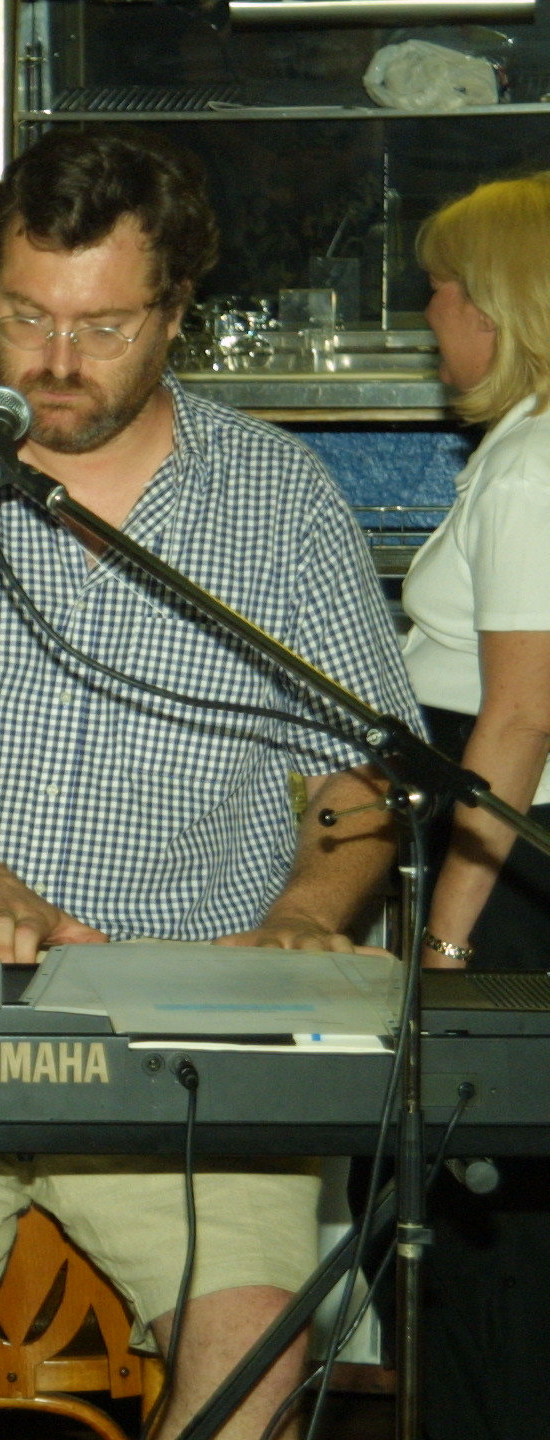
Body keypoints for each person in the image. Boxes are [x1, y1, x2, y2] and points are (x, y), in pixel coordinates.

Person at [0, 127, 418, 1440]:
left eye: (104, 327)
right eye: (23, 317)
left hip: (187, 986)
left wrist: (308, 913)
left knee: (256, 1368)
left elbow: (361, 780)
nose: (55, 361)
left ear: (177, 313)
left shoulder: (278, 500)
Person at [403, 172, 550, 1440]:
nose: (428, 316)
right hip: (517, 869)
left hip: (511, 888)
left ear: (497, 306)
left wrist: (446, 939)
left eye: (440, 290)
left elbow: (517, 721)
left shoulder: (533, 471)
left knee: (490, 1230)